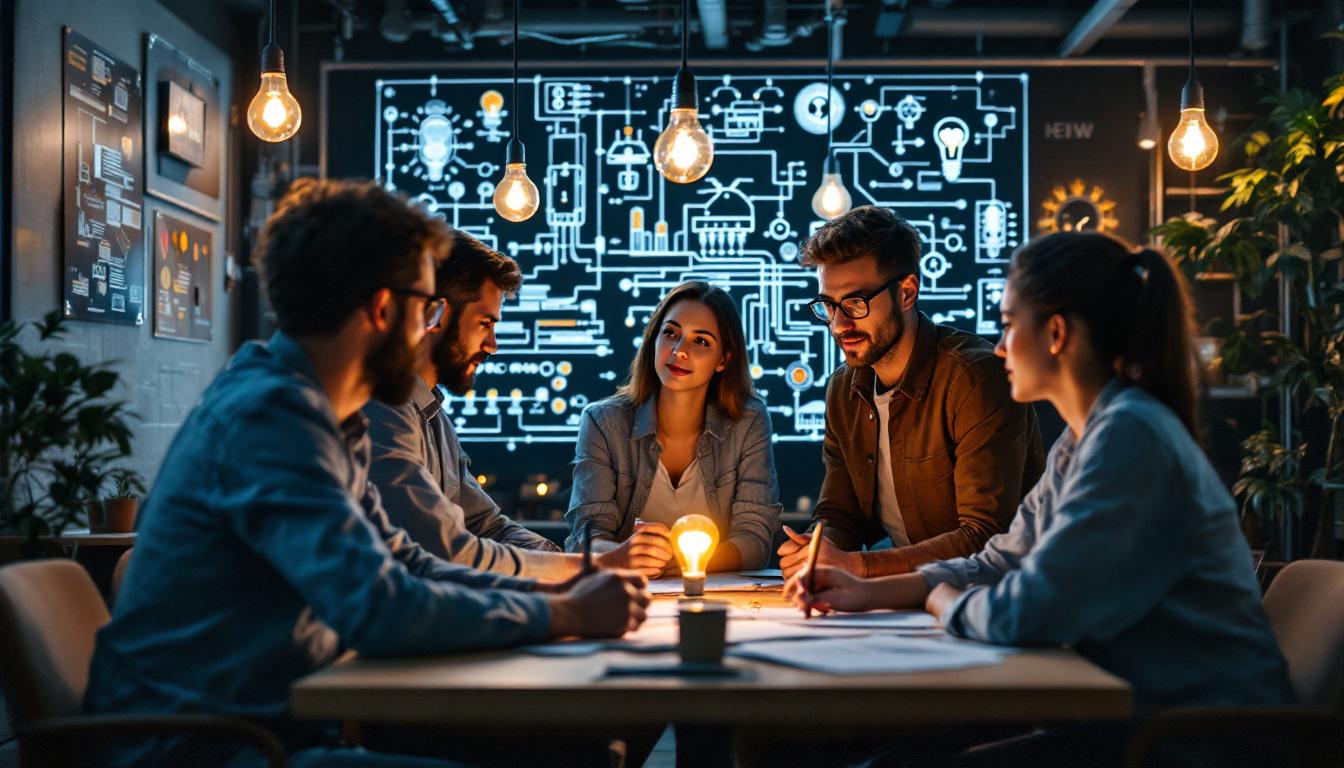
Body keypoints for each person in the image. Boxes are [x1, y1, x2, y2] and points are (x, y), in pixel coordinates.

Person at [84, 179, 650, 768]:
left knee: (576, 753)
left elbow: (407, 563)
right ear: (383, 309)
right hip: (207, 749)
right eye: (428, 308)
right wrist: (564, 613)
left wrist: (561, 591)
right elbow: (380, 609)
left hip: (277, 730)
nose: (430, 328)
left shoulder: (328, 414)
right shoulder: (271, 419)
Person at [787, 232, 1295, 751]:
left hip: (1195, 739)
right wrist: (866, 592)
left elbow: (1029, 609)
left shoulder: (1130, 436)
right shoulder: (1082, 439)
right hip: (1133, 717)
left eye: (1010, 325)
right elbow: (1000, 561)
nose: (1000, 347)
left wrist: (941, 600)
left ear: (1055, 333)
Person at [778, 205, 1044, 580]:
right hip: (910, 594)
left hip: (997, 592)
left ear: (907, 292)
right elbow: (841, 514)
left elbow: (985, 537)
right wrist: (818, 548)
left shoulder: (975, 378)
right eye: (828, 306)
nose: (839, 325)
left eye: (855, 303)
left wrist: (856, 566)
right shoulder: (843, 389)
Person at [365, 231, 625, 580]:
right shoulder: (383, 408)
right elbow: (445, 548)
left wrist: (570, 564)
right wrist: (578, 568)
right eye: (484, 323)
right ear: (436, 313)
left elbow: (487, 525)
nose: (492, 344)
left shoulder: (433, 415)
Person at [566, 281, 782, 575]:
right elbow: (585, 539)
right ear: (653, 340)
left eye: (701, 341)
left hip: (720, 595)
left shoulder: (748, 421)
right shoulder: (602, 422)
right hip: (625, 592)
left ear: (723, 360)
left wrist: (682, 563)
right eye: (670, 333)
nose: (679, 351)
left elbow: (754, 540)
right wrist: (621, 556)